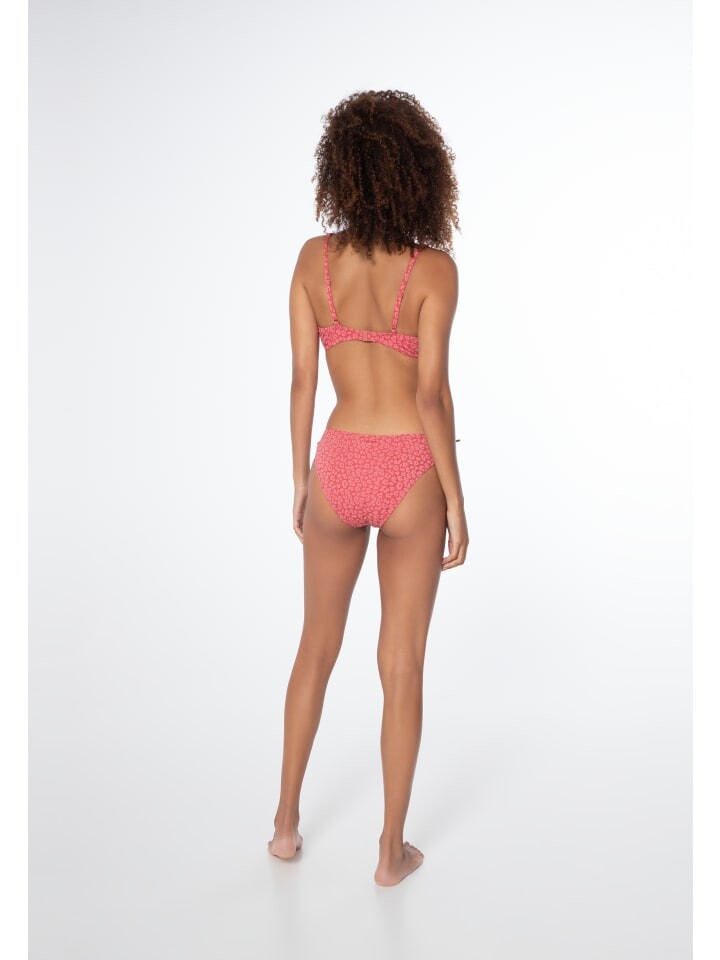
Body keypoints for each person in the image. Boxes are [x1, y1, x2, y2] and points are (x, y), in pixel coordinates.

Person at [267, 89, 469, 886]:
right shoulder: (434, 270)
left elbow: (301, 381)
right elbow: (432, 397)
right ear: (421, 172)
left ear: (341, 171)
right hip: (410, 468)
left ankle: (285, 826)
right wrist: (456, 499)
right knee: (402, 663)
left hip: (339, 463)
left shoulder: (312, 261)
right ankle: (390, 853)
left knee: (315, 646)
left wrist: (300, 477)